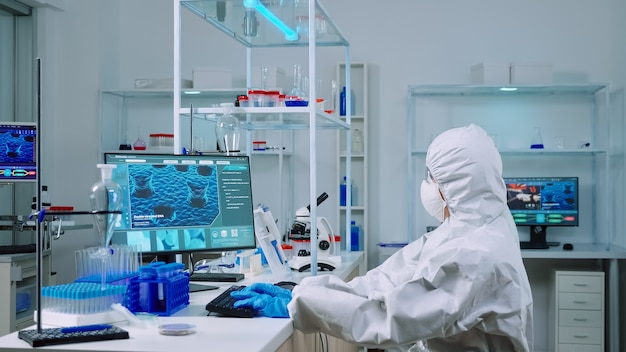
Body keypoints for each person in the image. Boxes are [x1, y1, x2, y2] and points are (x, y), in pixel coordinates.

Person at [231, 124, 534, 352]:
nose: (427, 185)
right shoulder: (475, 221)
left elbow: (389, 317)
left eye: (433, 178)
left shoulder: (478, 255)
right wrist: (305, 292)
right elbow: (390, 279)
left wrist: (301, 307)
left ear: (458, 185)